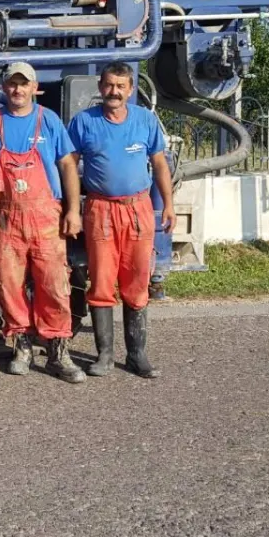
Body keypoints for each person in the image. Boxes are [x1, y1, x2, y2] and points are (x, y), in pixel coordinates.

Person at [67, 61, 175, 378]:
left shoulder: (145, 120)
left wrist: (168, 204)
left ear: (130, 90)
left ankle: (137, 355)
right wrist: (72, 207)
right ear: (100, 87)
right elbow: (69, 166)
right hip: (100, 209)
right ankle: (103, 356)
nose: (114, 92)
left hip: (138, 209)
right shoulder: (84, 122)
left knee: (137, 279)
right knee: (101, 280)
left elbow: (159, 163)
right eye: (109, 85)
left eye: (120, 86)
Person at [0, 62, 85, 384]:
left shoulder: (48, 120)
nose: (17, 90)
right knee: (8, 284)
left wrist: (73, 210)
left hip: (46, 218)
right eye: (12, 84)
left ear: (35, 87)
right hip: (6, 216)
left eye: (23, 84)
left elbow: (68, 165)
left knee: (53, 282)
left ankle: (57, 350)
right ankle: (22, 346)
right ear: (3, 88)